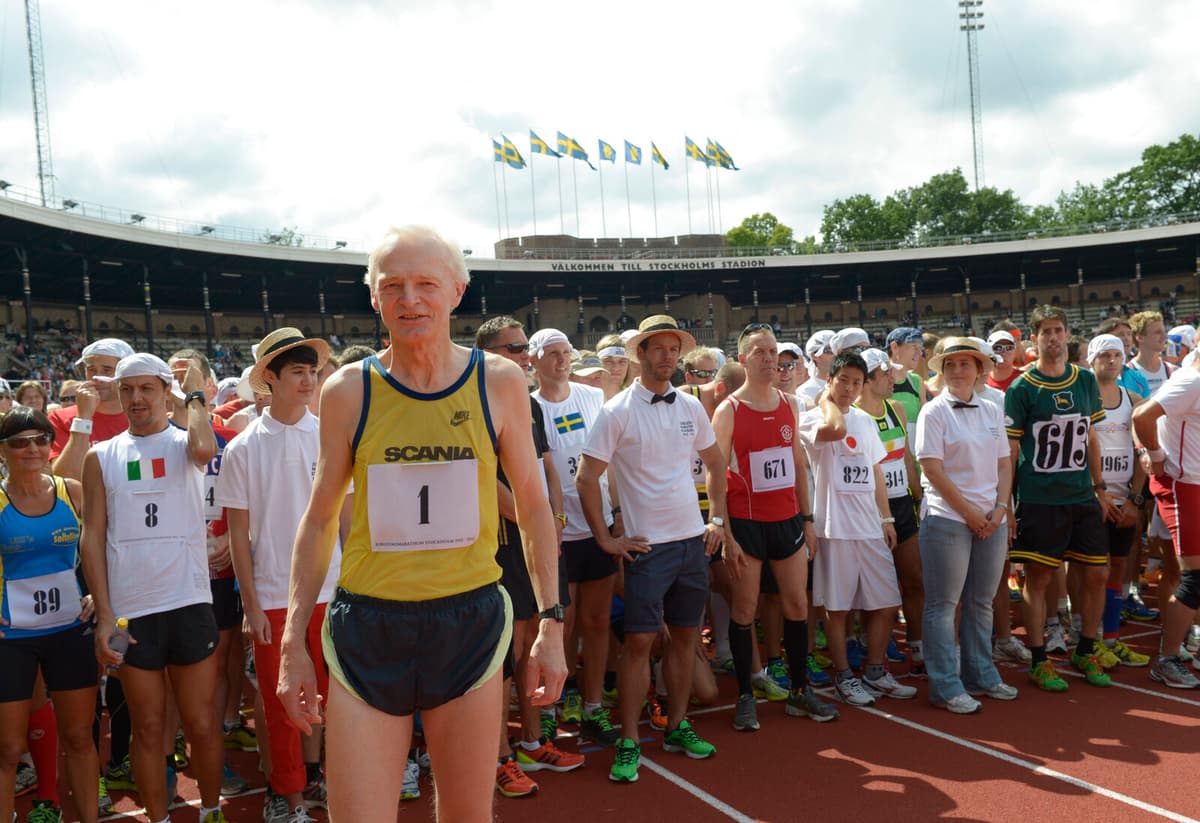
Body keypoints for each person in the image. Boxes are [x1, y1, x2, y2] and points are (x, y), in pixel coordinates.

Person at [276, 226, 567, 822]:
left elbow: (535, 509)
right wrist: (292, 645)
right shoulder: (346, 391)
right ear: (376, 297)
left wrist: (551, 622)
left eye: (426, 284)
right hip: (369, 628)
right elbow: (320, 516)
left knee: (467, 816)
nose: (410, 299)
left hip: (470, 621)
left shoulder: (501, 382)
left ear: (457, 291)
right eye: (393, 287)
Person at [575, 315, 730, 783]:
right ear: (640, 353)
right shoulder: (617, 410)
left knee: (685, 638)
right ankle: (628, 740)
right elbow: (586, 477)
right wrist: (606, 538)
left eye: (672, 349)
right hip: (646, 549)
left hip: (691, 543)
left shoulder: (691, 406)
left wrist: (717, 520)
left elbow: (717, 466)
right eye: (657, 349)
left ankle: (678, 726)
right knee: (640, 644)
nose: (666, 356)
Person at [79, 353, 226, 823]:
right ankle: (159, 819)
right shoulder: (101, 455)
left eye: (147, 388)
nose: (136, 398)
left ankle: (210, 811)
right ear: (118, 395)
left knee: (201, 724)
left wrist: (196, 396)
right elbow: (92, 537)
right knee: (147, 726)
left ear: (167, 391)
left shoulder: (187, 442)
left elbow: (206, 449)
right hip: (130, 611)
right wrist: (105, 615)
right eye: (128, 390)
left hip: (188, 601)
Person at [216, 329, 339, 823]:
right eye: (297, 372)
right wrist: (249, 605)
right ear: (269, 378)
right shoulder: (243, 448)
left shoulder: (330, 434)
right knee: (280, 702)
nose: (308, 381)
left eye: (312, 372)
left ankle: (316, 782)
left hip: (333, 590)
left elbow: (346, 518)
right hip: (271, 596)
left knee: (331, 699)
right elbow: (238, 537)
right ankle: (287, 800)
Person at [711, 324, 838, 731]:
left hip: (787, 522)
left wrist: (808, 519)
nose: (770, 359)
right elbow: (716, 475)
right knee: (745, 609)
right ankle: (747, 694)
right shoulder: (729, 409)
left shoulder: (789, 403)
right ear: (744, 358)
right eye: (760, 352)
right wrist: (723, 529)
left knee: (797, 605)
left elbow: (797, 466)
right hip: (747, 524)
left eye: (774, 352)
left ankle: (800, 692)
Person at [474, 316, 580, 798]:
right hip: (497, 543)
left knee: (536, 640)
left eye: (523, 347)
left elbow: (546, 468)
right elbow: (484, 480)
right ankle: (498, 758)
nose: (522, 355)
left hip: (532, 536)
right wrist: (532, 520)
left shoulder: (527, 404)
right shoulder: (472, 401)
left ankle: (534, 740)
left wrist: (554, 523)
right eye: (512, 348)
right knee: (502, 655)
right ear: (486, 354)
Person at [797, 351, 916, 705]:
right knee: (838, 609)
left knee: (884, 603)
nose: (849, 388)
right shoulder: (812, 418)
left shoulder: (866, 422)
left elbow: (876, 471)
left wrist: (886, 518)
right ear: (829, 380)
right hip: (834, 527)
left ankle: (876, 671)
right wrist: (827, 401)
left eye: (856, 382)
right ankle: (845, 678)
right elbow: (835, 429)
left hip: (870, 527)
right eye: (842, 381)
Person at [1006, 305, 1114, 692]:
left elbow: (1092, 436)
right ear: (1034, 339)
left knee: (1098, 573)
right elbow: (1012, 451)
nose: (1053, 338)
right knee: (1040, 577)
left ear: (1068, 334)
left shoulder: (1084, 380)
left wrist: (1100, 488)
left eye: (1058, 330)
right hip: (1040, 497)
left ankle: (1086, 648)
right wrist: (1008, 506)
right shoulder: (1022, 388)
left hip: (1082, 495)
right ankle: (1038, 658)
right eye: (1046, 332)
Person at [1, 407, 100, 823]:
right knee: (7, 748)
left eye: (40, 439)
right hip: (11, 639)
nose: (32, 449)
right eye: (20, 442)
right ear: (3, 451)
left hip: (69, 631)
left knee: (79, 736)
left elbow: (98, 554)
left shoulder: (72, 491)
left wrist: (97, 594)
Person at [529, 328, 620, 749]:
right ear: (534, 361)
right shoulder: (527, 407)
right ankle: (549, 709)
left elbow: (612, 461)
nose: (561, 360)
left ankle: (592, 706)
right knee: (559, 628)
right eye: (551, 353)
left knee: (597, 622)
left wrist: (616, 514)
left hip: (596, 525)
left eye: (565, 352)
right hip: (555, 536)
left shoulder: (591, 397)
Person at [915, 338, 1016, 714]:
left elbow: (1004, 463)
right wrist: (972, 514)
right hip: (947, 519)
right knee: (943, 606)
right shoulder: (934, 412)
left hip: (991, 518)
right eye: (951, 364)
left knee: (981, 602)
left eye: (965, 363)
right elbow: (931, 468)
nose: (958, 370)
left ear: (979, 369)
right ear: (942, 371)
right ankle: (944, 685)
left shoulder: (991, 409)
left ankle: (982, 675)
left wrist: (1000, 507)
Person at [854, 348, 924, 675]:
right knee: (876, 590)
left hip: (902, 505)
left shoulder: (894, 408)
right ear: (867, 381)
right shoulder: (853, 415)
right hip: (868, 510)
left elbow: (906, 457)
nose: (892, 378)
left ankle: (918, 646)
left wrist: (919, 494)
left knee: (915, 579)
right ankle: (872, 649)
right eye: (884, 374)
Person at [1133, 353, 1200, 688]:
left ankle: (1182, 649)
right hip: (1184, 486)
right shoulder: (1192, 380)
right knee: (1195, 578)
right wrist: (1155, 455)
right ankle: (1167, 659)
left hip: (1195, 483)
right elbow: (1142, 415)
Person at [1085, 335, 1152, 668]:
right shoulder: (1084, 399)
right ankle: (1090, 639)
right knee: (1094, 572)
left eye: (1117, 356)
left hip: (1124, 500)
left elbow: (1143, 455)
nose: (1111, 361)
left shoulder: (1134, 400)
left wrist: (1135, 501)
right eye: (1105, 356)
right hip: (1092, 500)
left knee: (1118, 571)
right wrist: (1096, 493)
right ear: (1092, 360)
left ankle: (1111, 639)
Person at [48, 338, 135, 481]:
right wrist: (83, 419)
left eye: (107, 370)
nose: (97, 377)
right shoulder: (61, 418)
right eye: (91, 369)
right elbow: (65, 479)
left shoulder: (142, 417)